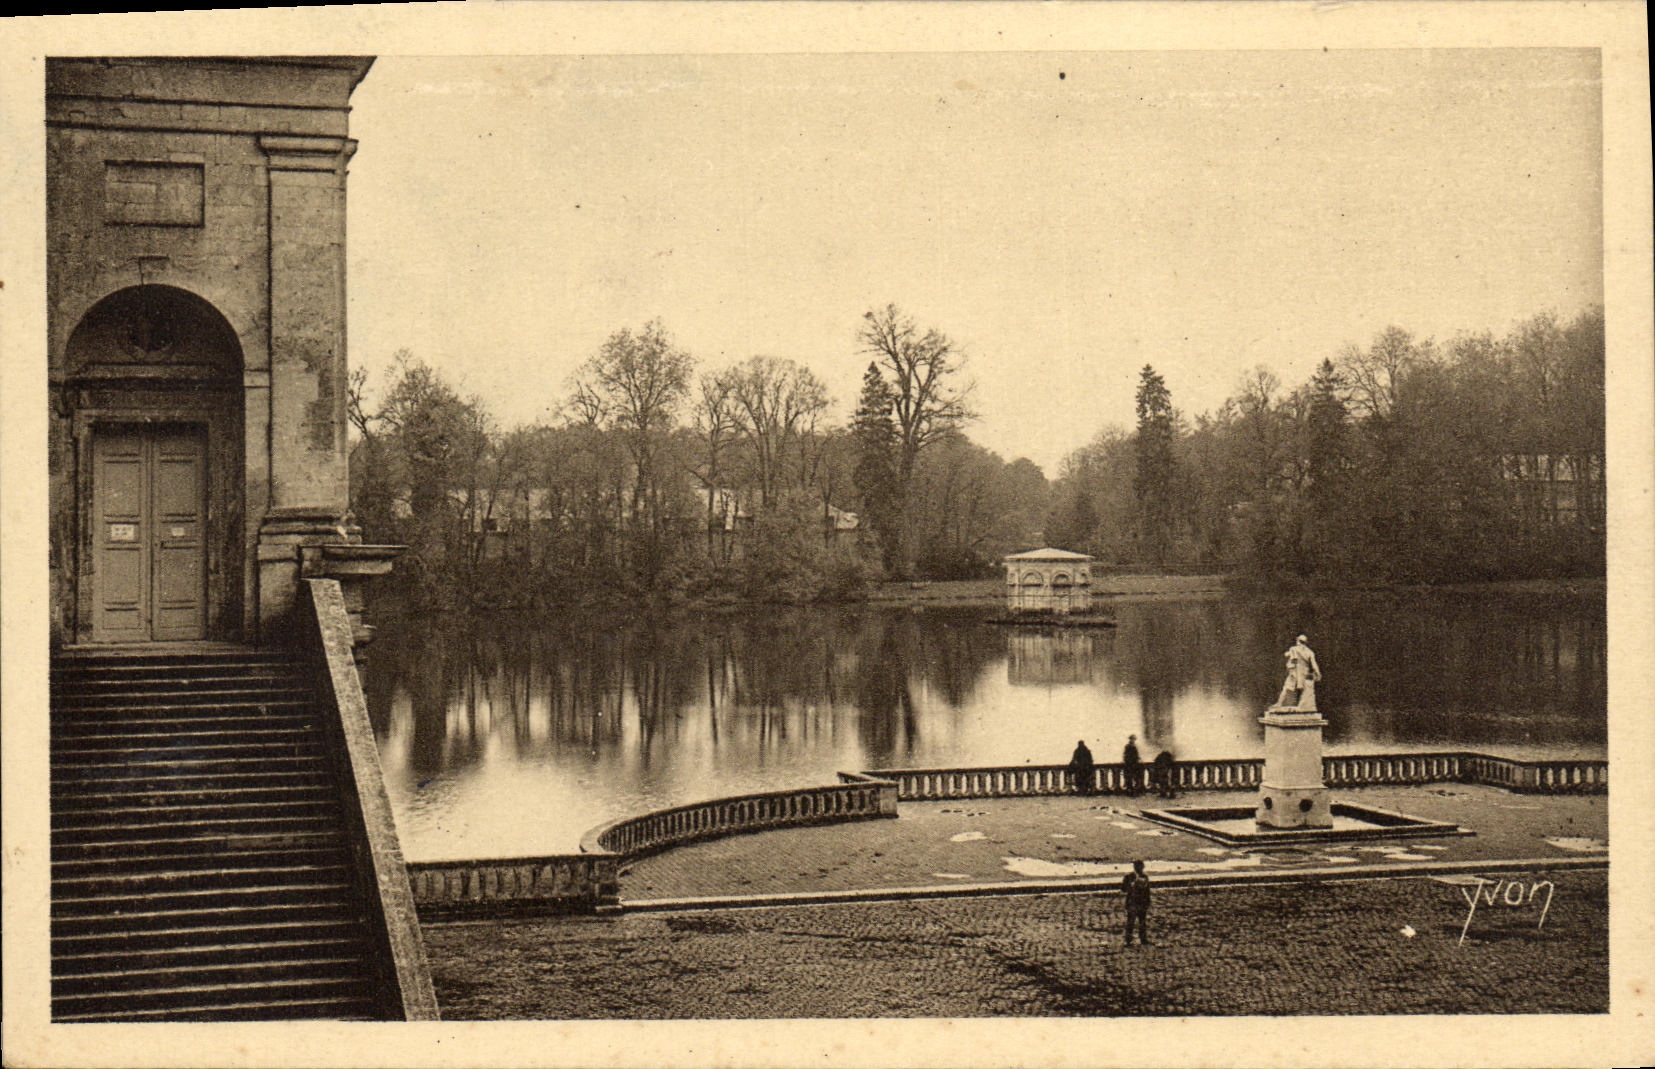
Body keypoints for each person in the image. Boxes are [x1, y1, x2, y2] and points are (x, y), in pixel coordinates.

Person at [1274, 634, 1323, 712]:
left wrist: (1288, 656)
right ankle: (1290, 705)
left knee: (1287, 687)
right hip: (1304, 673)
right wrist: (1318, 673)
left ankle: (1279, 704)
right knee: (1303, 690)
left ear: (1298, 641)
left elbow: (1290, 659)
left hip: (1295, 672)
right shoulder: (1310, 652)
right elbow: (1314, 665)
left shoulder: (1294, 649)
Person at [1121, 860, 1152, 945]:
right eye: (1138, 867)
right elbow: (1123, 889)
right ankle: (1128, 940)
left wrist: (1148, 902)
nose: (1139, 869)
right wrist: (1131, 885)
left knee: (1142, 922)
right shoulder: (1129, 877)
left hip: (1142, 902)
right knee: (1131, 922)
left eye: (1141, 867)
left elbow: (1147, 891)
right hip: (1132, 903)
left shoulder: (1145, 877)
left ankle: (1143, 939)